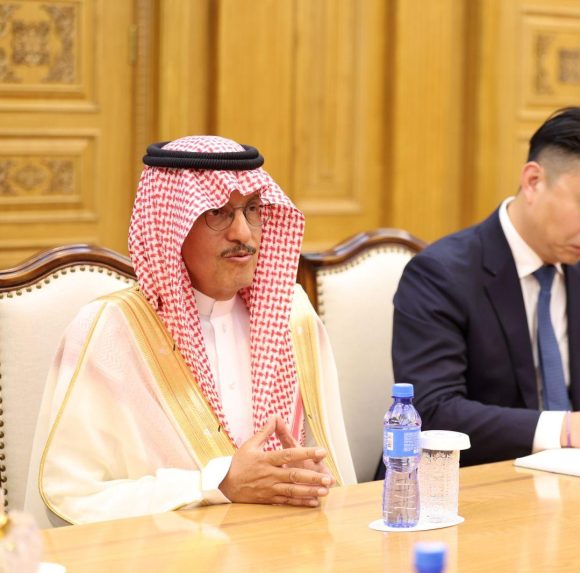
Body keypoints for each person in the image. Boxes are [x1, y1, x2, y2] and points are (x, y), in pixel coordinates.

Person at [30, 136, 354, 525]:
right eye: (218, 212)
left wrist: (311, 478)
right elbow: (71, 495)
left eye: (252, 209)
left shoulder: (291, 316)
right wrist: (216, 484)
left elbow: (332, 469)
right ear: (170, 226)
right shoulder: (111, 331)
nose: (243, 233)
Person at [392, 107, 580, 467]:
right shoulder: (440, 274)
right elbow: (433, 412)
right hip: (468, 482)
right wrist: (566, 429)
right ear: (533, 181)